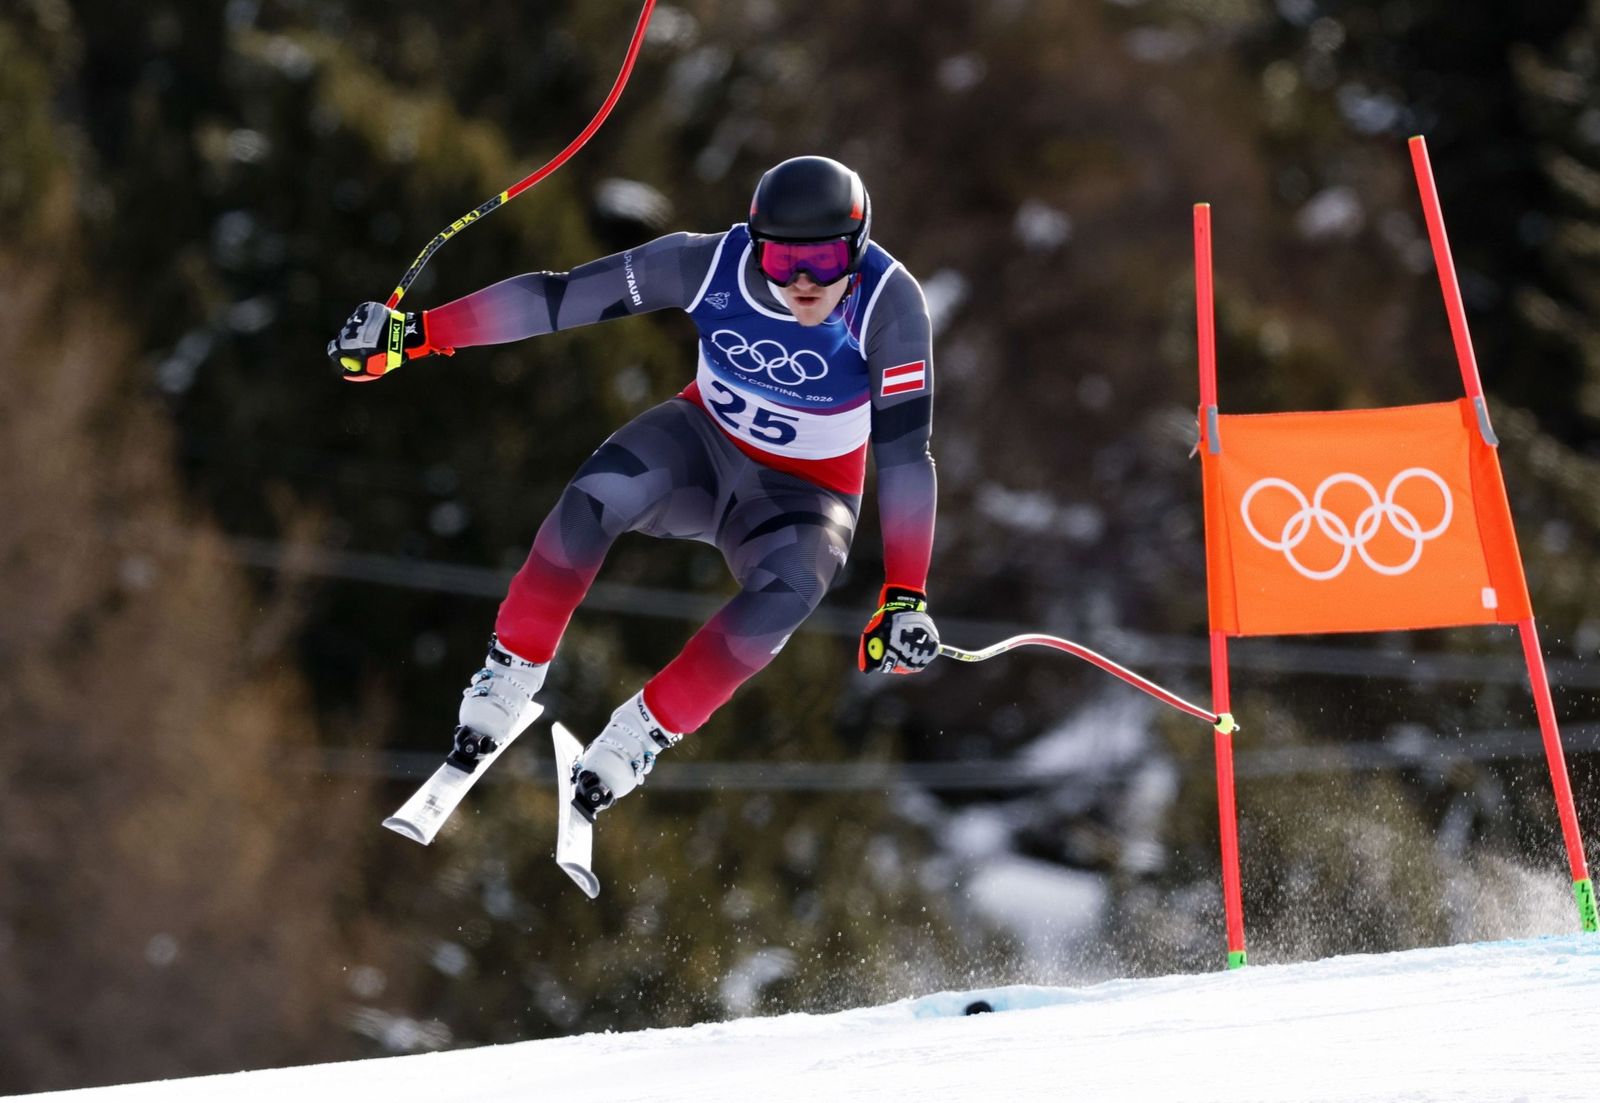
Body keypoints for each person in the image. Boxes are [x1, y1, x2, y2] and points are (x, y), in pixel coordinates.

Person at [328, 155, 939, 818]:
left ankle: (637, 736)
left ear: (857, 247)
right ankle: (508, 675)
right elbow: (561, 299)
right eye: (780, 259)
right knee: (596, 496)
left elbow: (905, 456)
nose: (799, 281)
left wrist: (904, 597)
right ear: (753, 245)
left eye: (821, 262)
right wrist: (414, 334)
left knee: (787, 594)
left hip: (803, 498)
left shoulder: (889, 304)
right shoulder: (708, 264)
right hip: (701, 445)